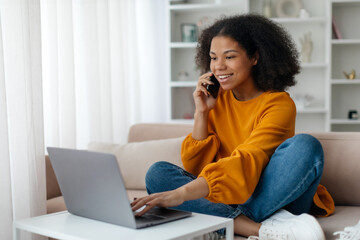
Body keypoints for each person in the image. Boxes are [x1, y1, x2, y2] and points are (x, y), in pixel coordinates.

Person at [131, 14, 335, 239]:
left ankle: (222, 222)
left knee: (305, 146)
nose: (219, 67)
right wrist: (202, 112)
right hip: (228, 196)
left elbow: (246, 161)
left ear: (255, 57)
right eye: (213, 57)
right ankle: (259, 229)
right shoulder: (217, 100)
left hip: (274, 196)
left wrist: (181, 196)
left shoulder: (279, 103)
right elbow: (195, 167)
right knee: (157, 174)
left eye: (229, 57)